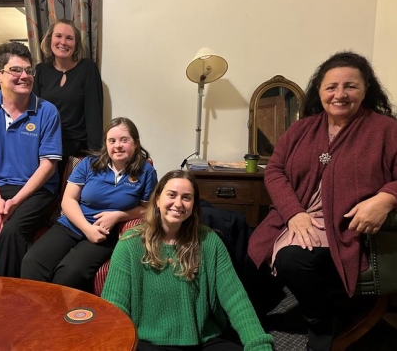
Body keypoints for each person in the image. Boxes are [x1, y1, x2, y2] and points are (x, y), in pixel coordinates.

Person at [247, 51, 397, 351]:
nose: (339, 94)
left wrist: (387, 197)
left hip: (344, 228)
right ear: (320, 90)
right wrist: (292, 213)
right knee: (250, 256)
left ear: (366, 89)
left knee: (292, 260)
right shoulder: (301, 129)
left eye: (350, 86)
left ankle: (320, 320)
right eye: (331, 87)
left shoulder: (386, 129)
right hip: (294, 218)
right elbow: (274, 170)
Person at [101, 170, 274, 351]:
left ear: (193, 205)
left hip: (203, 340)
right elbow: (114, 306)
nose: (178, 203)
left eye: (186, 197)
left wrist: (259, 343)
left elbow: (235, 298)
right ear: (158, 199)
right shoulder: (130, 244)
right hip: (147, 342)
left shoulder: (209, 241)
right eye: (172, 195)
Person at [0, 42, 62, 278]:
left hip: (36, 191)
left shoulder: (47, 111)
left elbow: (48, 166)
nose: (24, 76)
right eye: (16, 70)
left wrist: (15, 201)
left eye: (28, 70)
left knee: (12, 232)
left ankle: (8, 301)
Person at [21, 117, 157, 291]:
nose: (118, 146)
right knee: (33, 262)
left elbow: (147, 209)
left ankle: (57, 315)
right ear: (106, 144)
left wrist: (118, 216)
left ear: (136, 143)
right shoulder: (89, 164)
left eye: (124, 140)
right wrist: (87, 228)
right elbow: (68, 200)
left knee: (69, 273)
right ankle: (36, 314)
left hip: (105, 233)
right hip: (71, 225)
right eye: (112, 141)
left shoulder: (146, 172)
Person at [33, 18, 103, 178]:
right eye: (58, 36)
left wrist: (95, 156)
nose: (63, 42)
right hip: (47, 148)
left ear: (76, 44)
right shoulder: (41, 70)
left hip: (78, 150)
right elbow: (34, 113)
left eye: (69, 38)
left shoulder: (87, 68)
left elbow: (94, 114)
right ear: (50, 39)